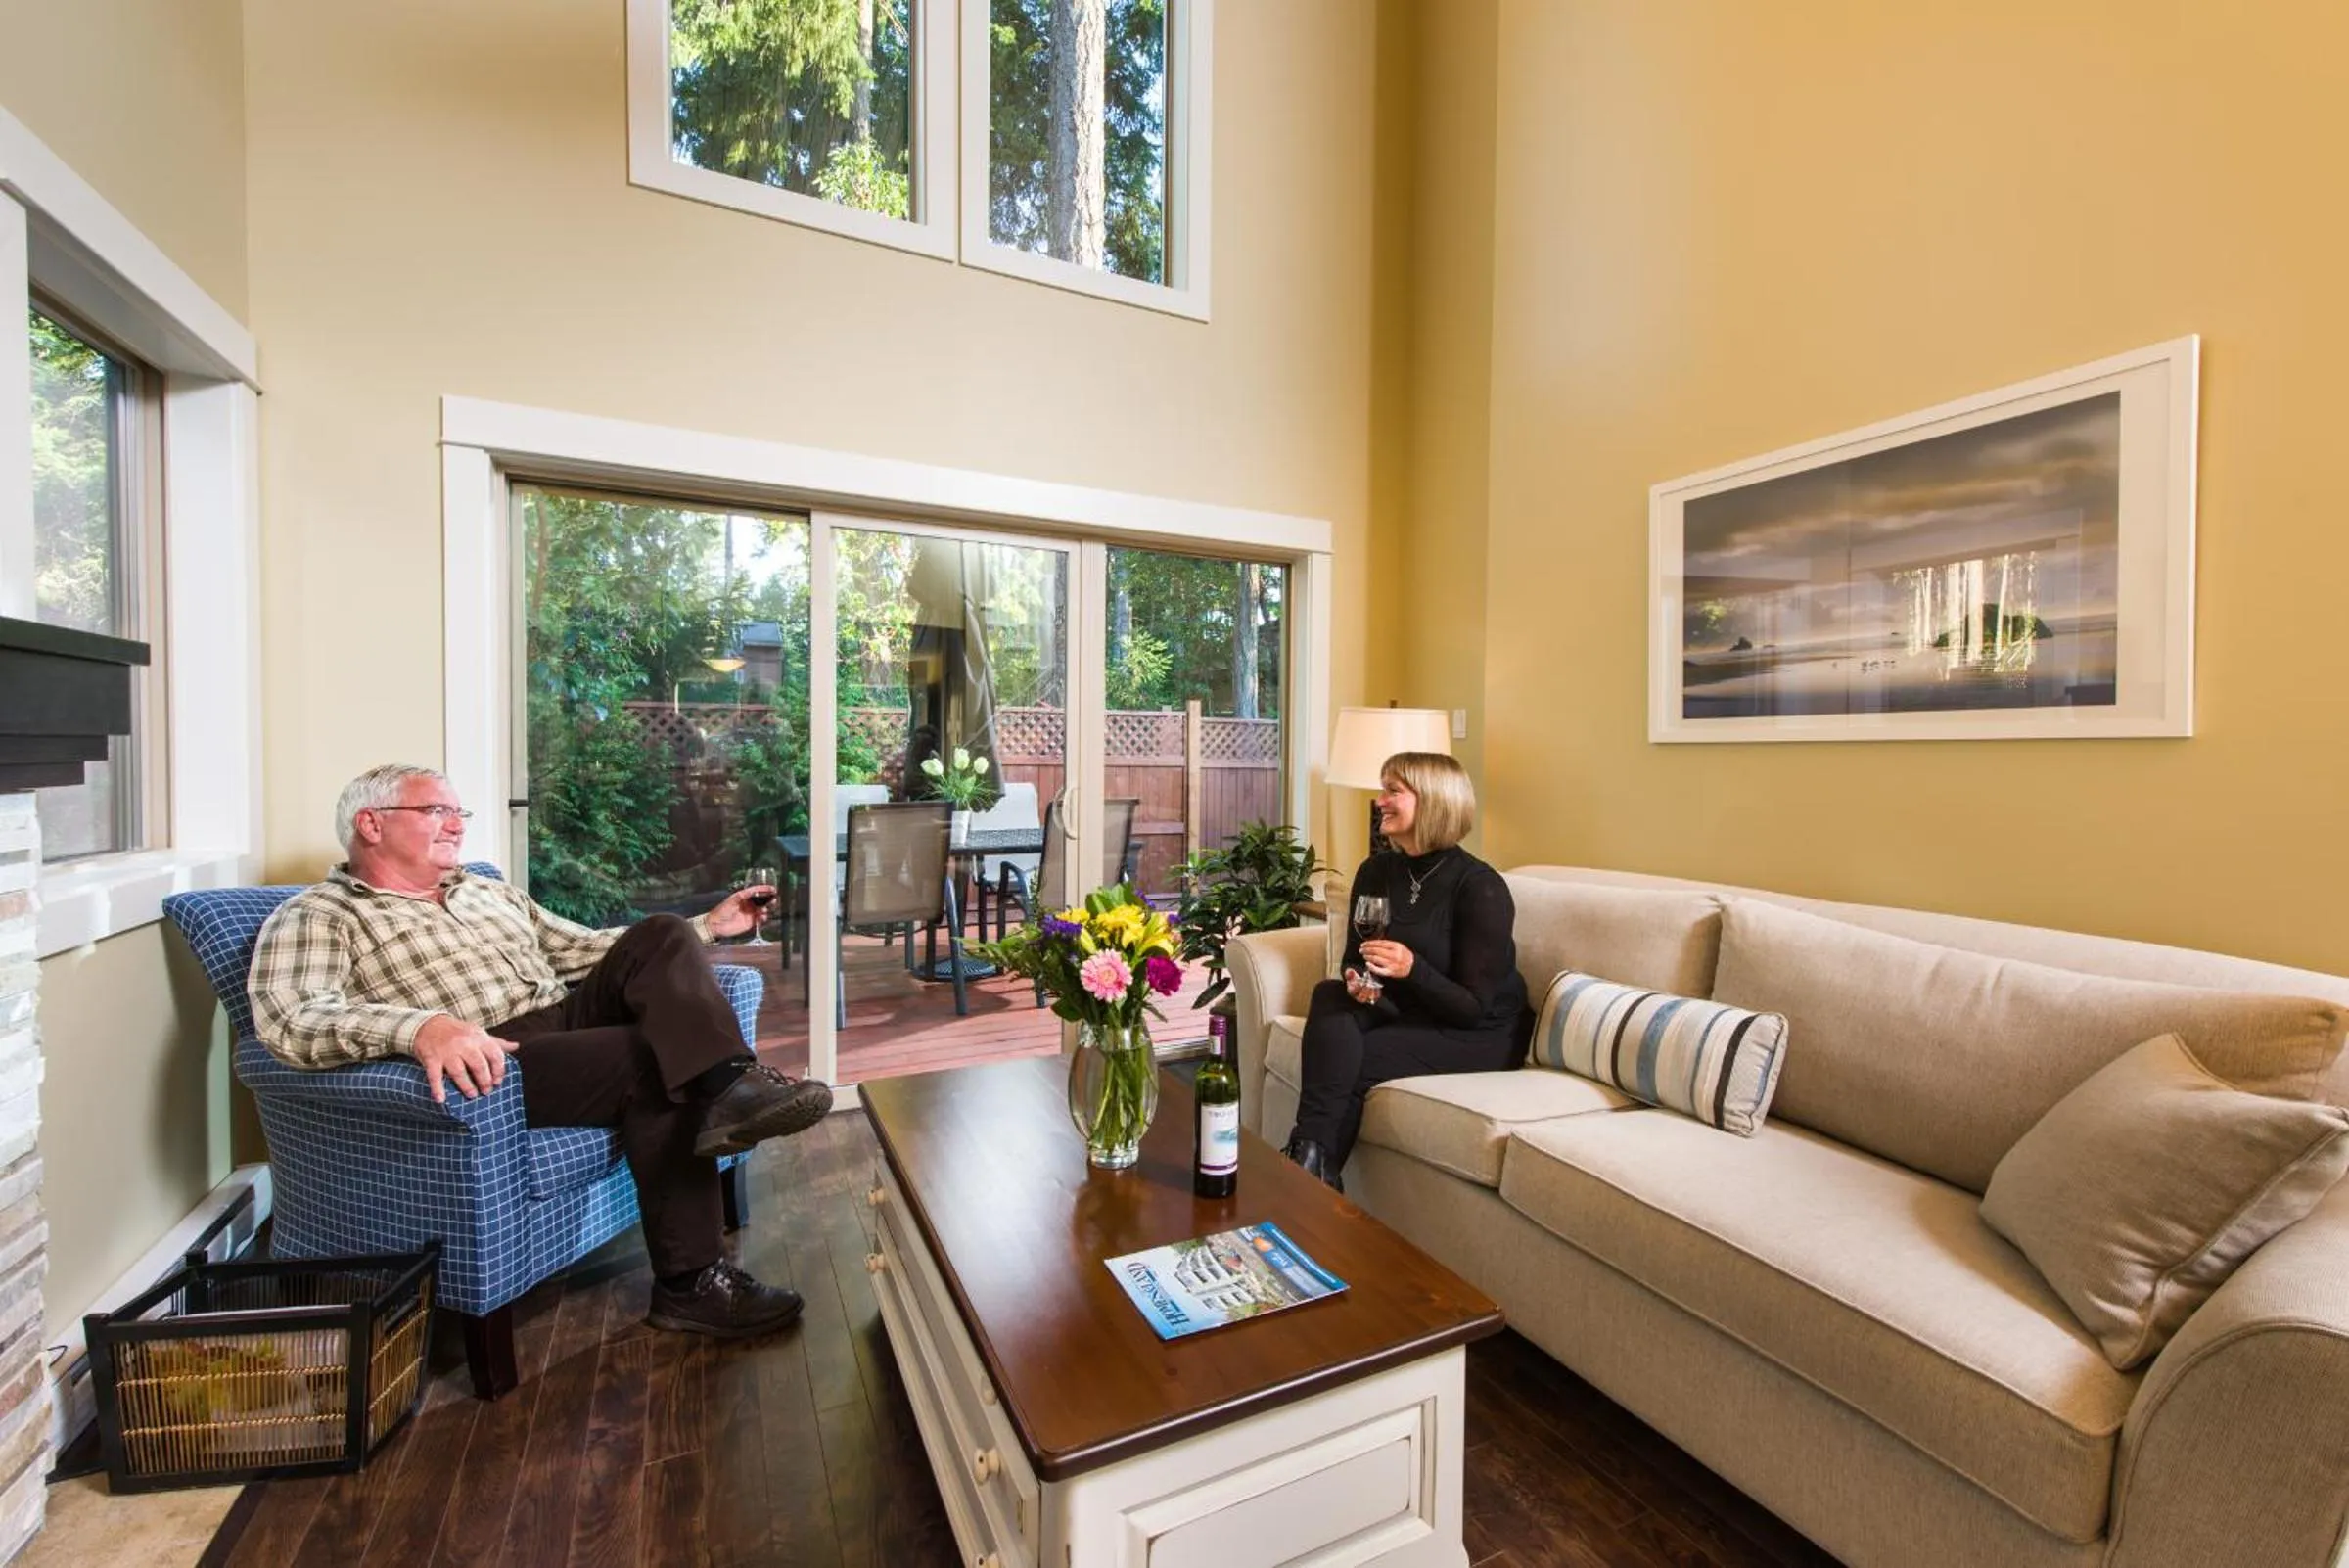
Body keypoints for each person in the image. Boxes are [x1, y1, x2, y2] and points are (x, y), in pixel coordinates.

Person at [249, 763, 832, 1339]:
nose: (456, 825)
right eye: (436, 811)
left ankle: (728, 1086)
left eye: (459, 813)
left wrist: (706, 924)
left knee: (660, 933)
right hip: (494, 1054)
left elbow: (587, 951)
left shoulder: (487, 892)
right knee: (652, 1057)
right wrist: (421, 1028)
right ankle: (692, 1284)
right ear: (370, 824)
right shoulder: (319, 914)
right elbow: (289, 1021)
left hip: (563, 1018)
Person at [1281, 752, 1531, 1189]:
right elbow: (1355, 960)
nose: (1379, 801)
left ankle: (1307, 1170)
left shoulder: (1481, 887)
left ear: (1433, 800)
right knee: (1329, 995)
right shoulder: (1376, 871)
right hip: (1409, 1008)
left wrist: (1412, 968)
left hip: (1478, 1033)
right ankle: (1311, 1168)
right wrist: (1361, 985)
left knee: (1349, 1059)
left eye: (1392, 790)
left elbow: (1471, 1007)